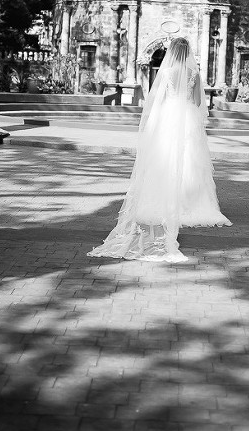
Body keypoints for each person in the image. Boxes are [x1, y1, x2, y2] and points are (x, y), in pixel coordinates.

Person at [87, 36, 231, 263]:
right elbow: (196, 103)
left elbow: (158, 101)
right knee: (190, 161)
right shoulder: (194, 74)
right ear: (188, 53)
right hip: (188, 120)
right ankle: (189, 204)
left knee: (166, 159)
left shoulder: (164, 73)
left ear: (172, 52)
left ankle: (165, 200)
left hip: (168, 119)